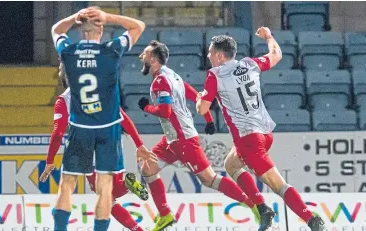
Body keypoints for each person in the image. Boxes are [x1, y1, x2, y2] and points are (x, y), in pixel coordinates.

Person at [196, 27, 326, 231]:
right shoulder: (250, 64)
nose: (208, 56)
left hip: (249, 141)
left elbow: (203, 108)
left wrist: (198, 100)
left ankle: (312, 219)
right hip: (265, 133)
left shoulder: (215, 75)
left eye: (211, 52)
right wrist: (268, 37)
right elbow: (276, 54)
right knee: (230, 164)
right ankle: (263, 209)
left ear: (220, 56)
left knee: (279, 186)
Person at [135, 40, 273, 231]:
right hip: (172, 139)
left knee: (209, 179)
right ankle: (165, 215)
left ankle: (255, 206)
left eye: (145, 53)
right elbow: (193, 94)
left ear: (153, 58)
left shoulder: (160, 81)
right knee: (148, 168)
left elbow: (165, 111)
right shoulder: (171, 75)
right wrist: (208, 119)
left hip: (183, 140)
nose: (141, 56)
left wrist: (146, 107)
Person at [50, 6, 147, 231]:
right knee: (105, 185)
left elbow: (56, 29)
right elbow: (138, 26)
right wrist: (108, 17)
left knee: (67, 184)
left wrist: (75, 18)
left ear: (80, 30)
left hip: (80, 126)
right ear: (100, 30)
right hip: (108, 127)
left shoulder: (68, 52)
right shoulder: (111, 50)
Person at [39, 64, 156, 231]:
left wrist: (50, 160)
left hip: (88, 150)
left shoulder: (63, 100)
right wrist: (139, 144)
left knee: (106, 198)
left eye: (60, 69)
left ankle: (128, 195)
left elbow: (58, 133)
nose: (58, 72)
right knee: (111, 195)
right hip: (112, 143)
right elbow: (124, 118)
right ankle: (136, 222)